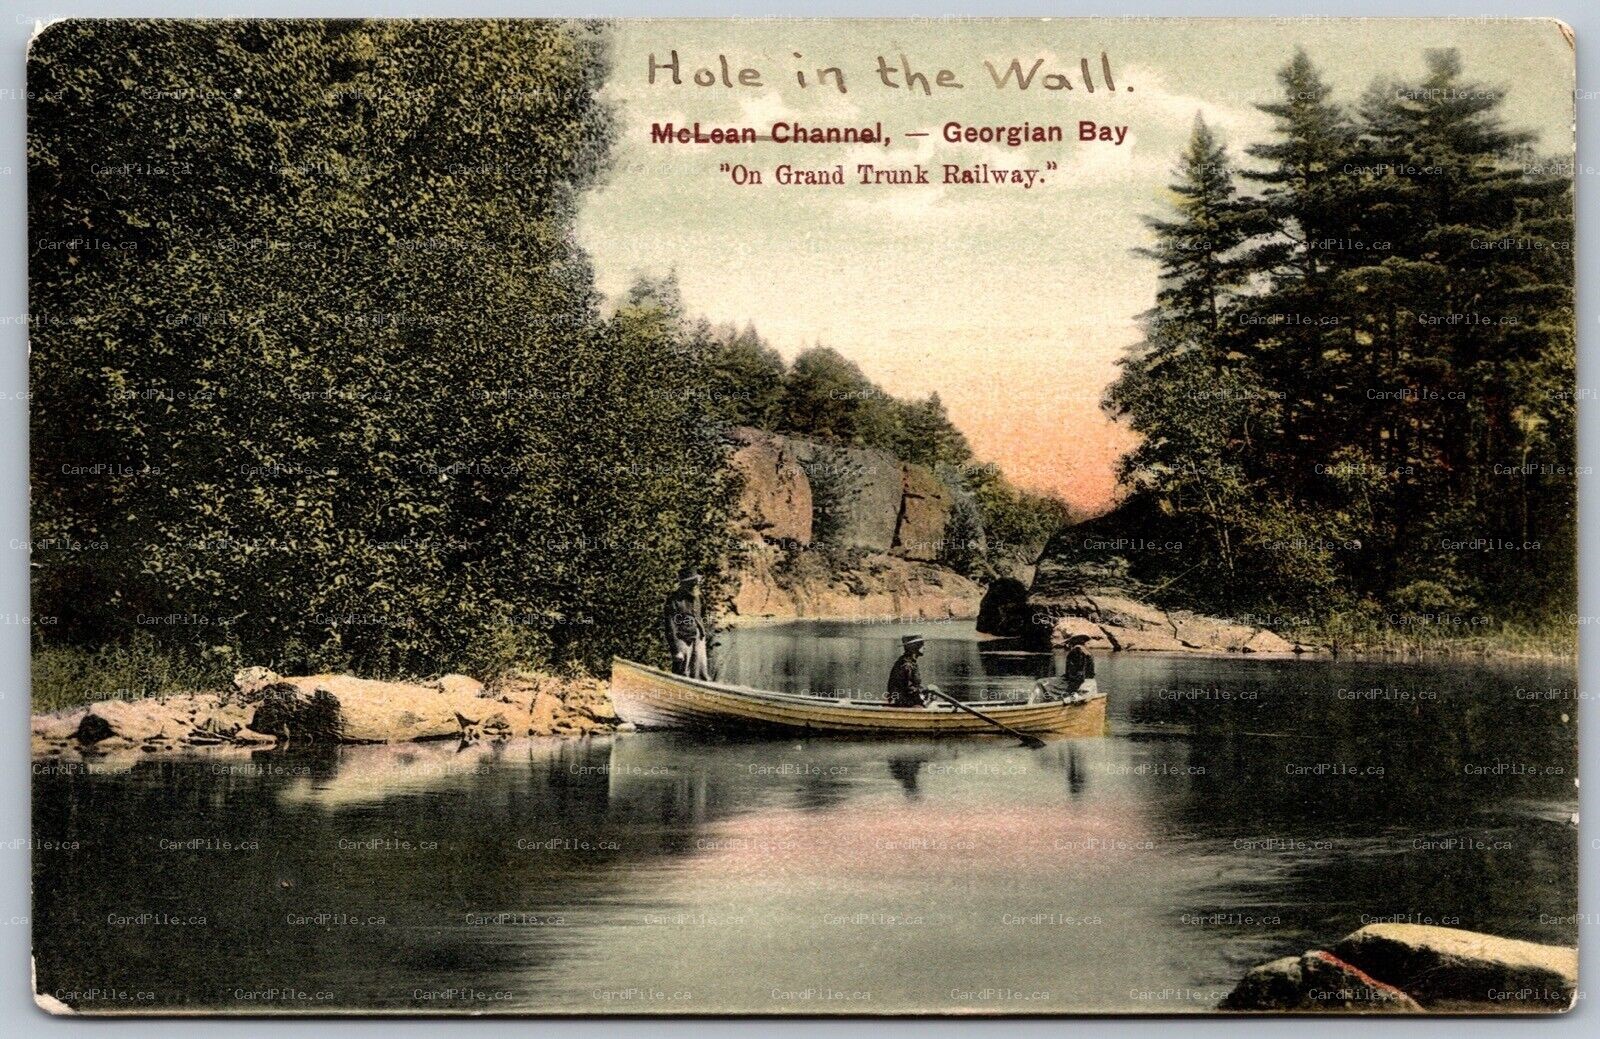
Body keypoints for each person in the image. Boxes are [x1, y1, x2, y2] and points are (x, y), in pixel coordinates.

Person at [663, 567, 710, 680]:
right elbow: (670, 625)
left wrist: (702, 630)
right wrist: (676, 650)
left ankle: (702, 693)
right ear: (685, 584)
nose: (696, 585)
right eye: (693, 582)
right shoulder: (674, 599)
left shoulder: (699, 597)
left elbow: (703, 615)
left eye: (696, 582)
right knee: (682, 671)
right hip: (682, 638)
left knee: (701, 671)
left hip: (699, 637)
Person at [1032, 634, 1096, 703]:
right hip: (1089, 683)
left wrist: (1069, 692)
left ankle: (1034, 705)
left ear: (1072, 643)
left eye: (1068, 643)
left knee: (1040, 682)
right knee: (1048, 681)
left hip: (1079, 684)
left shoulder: (1076, 651)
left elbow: (1079, 676)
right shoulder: (1086, 651)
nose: (1066, 645)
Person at [887, 634, 932, 707]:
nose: (924, 647)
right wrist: (924, 691)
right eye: (921, 645)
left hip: (907, 699)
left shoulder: (909, 662)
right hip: (904, 702)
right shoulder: (906, 665)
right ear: (914, 647)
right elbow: (909, 688)